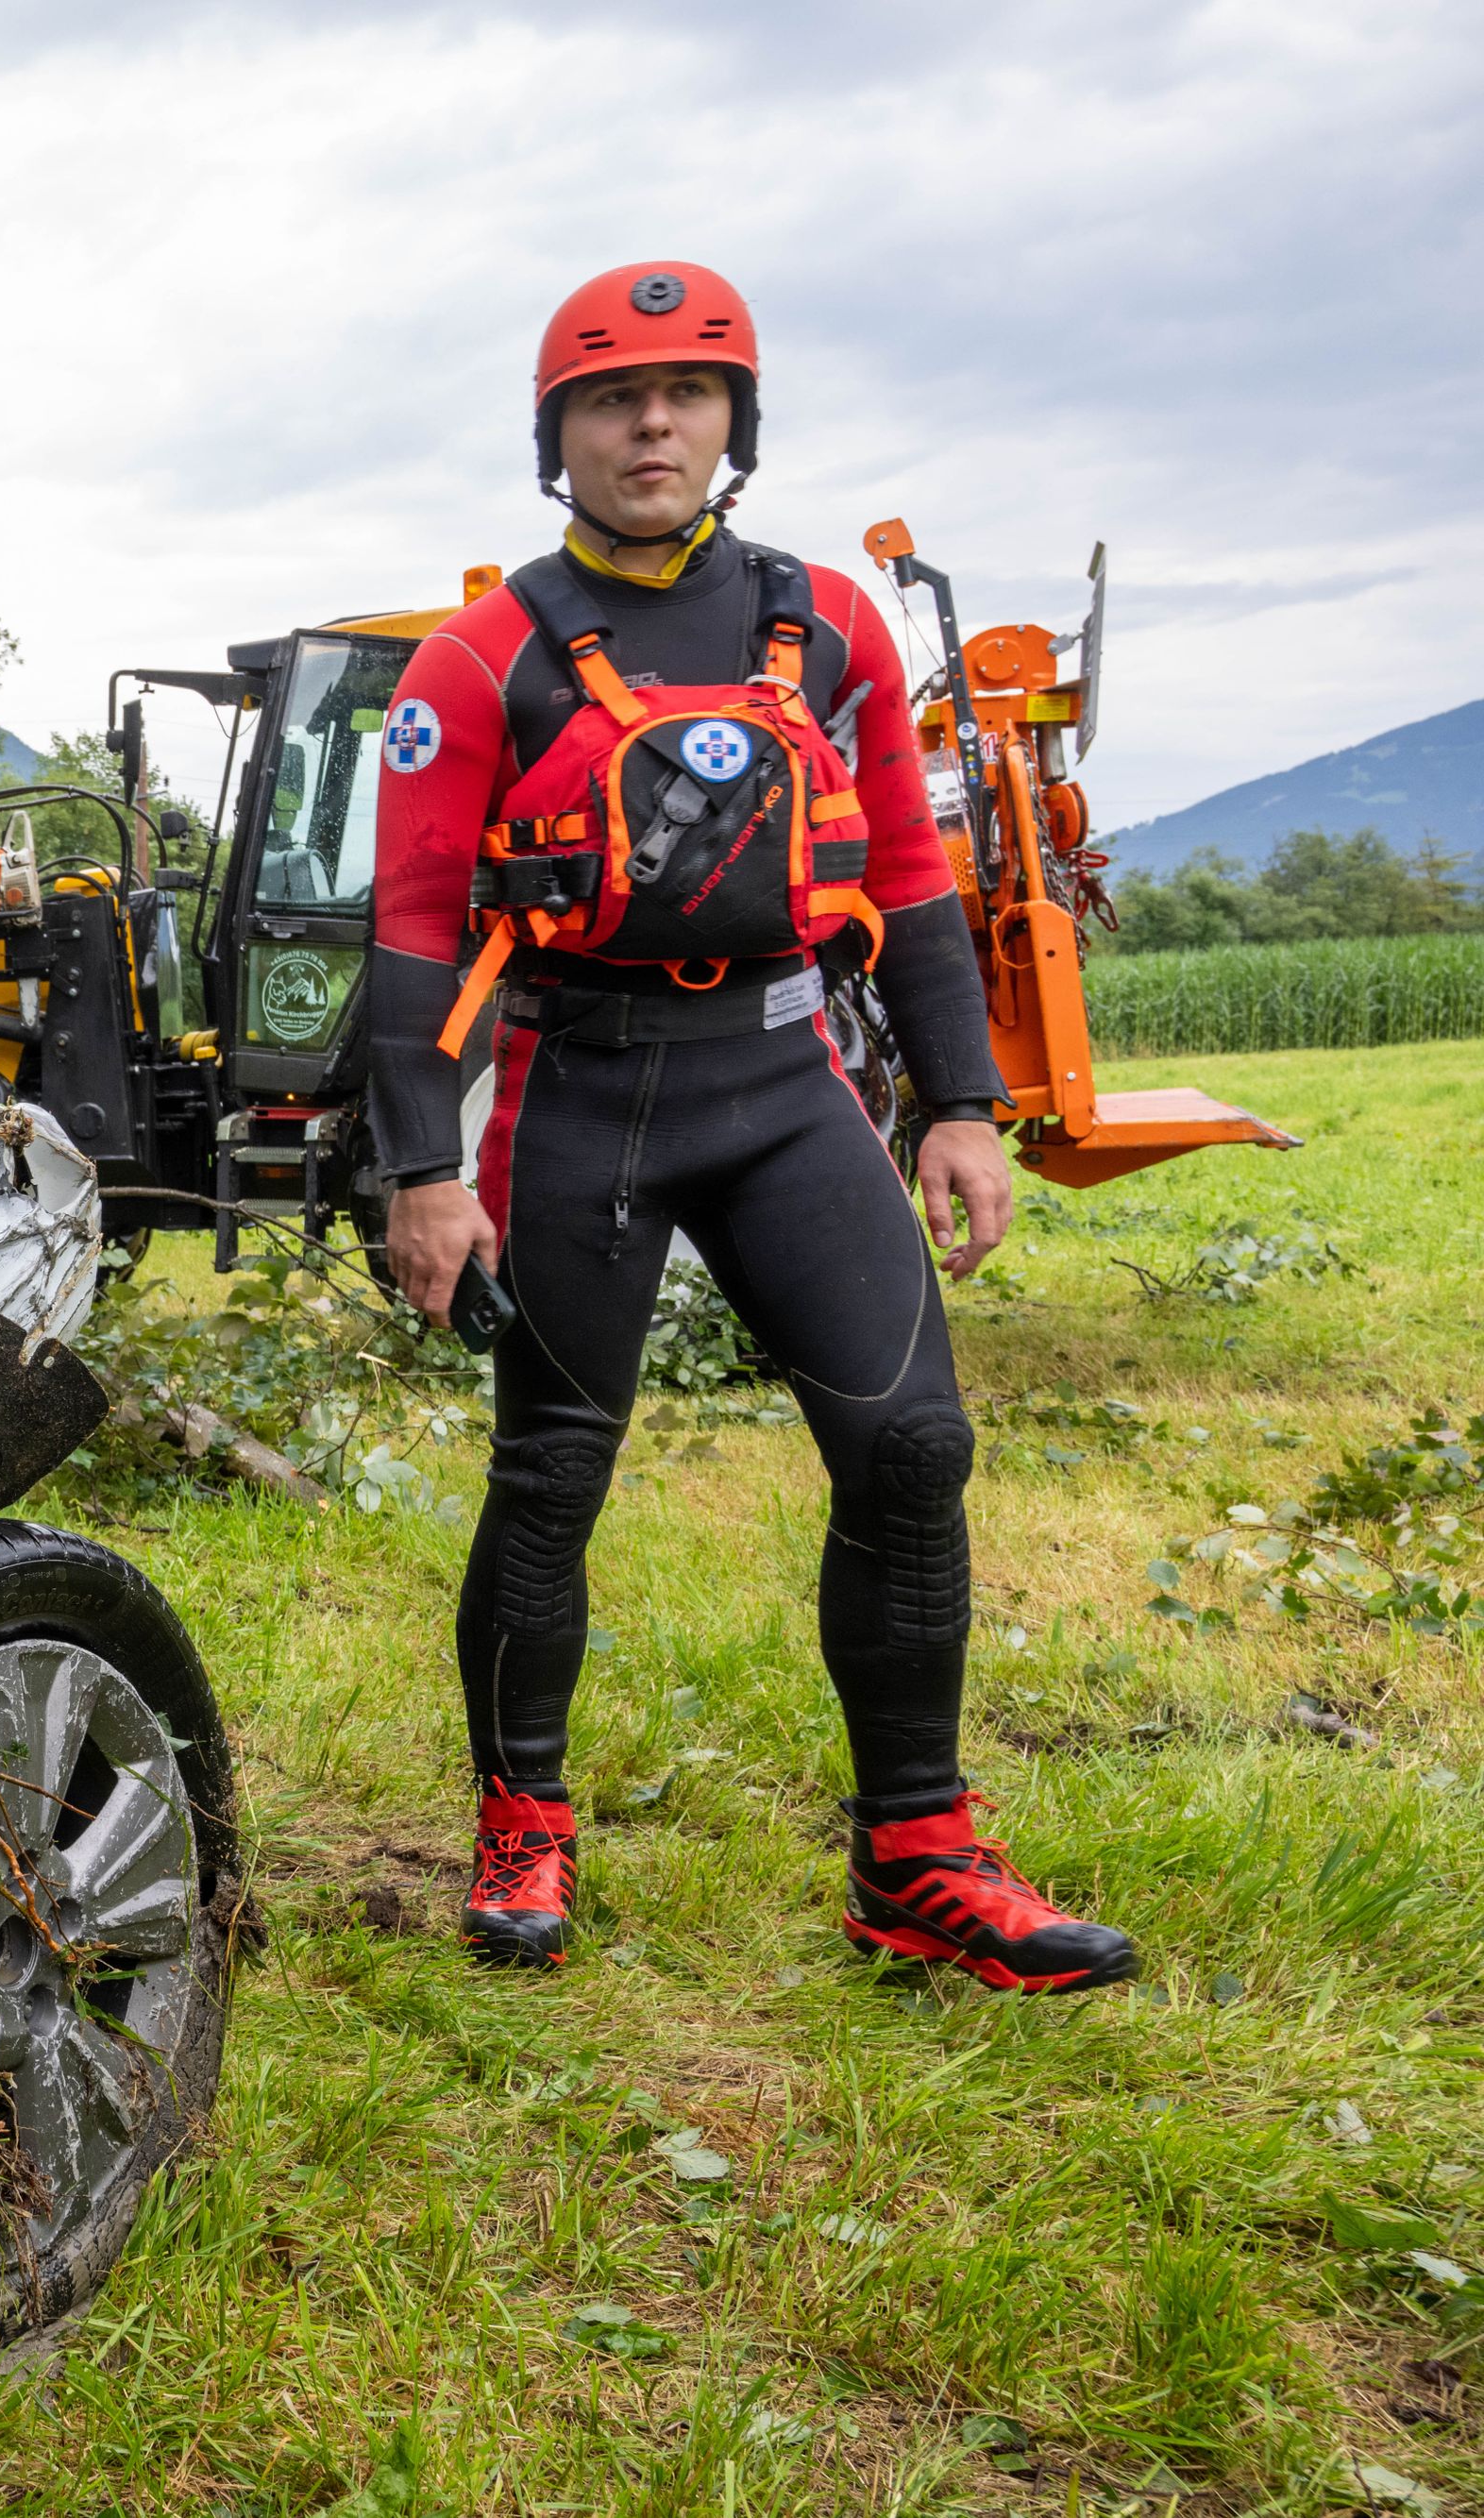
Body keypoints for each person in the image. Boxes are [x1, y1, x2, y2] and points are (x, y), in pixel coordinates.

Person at [360, 261, 1136, 1993]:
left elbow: (920, 882)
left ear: (737, 425)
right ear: (557, 437)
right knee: (553, 1476)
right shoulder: (479, 656)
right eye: (613, 399)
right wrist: (423, 1171)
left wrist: (961, 1107)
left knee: (915, 1450)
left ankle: (918, 1860)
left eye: (687, 394)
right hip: (577, 1094)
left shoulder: (833, 624)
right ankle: (526, 1826)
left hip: (788, 1088)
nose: (653, 424)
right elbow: (412, 927)